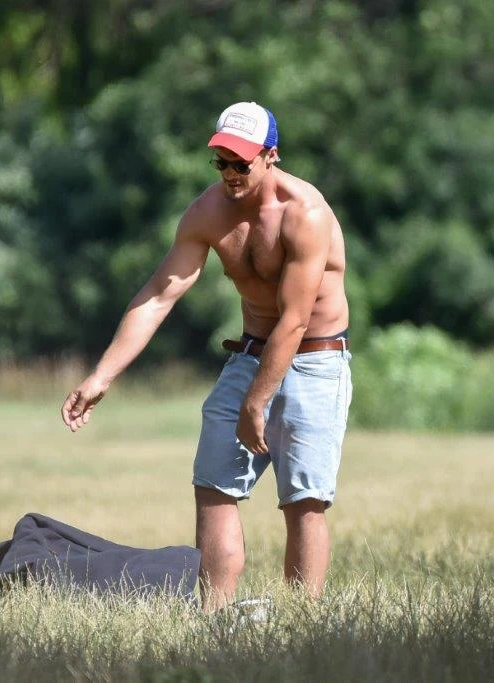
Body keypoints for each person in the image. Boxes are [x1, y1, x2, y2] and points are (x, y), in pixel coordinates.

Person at [61, 101, 352, 611]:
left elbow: (294, 319)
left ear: (271, 156)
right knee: (213, 483)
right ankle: (213, 618)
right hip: (250, 353)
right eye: (221, 162)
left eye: (242, 162)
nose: (231, 174)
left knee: (303, 499)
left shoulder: (305, 213)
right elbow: (158, 294)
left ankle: (305, 622)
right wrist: (102, 375)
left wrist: (256, 401)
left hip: (315, 358)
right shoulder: (208, 213)